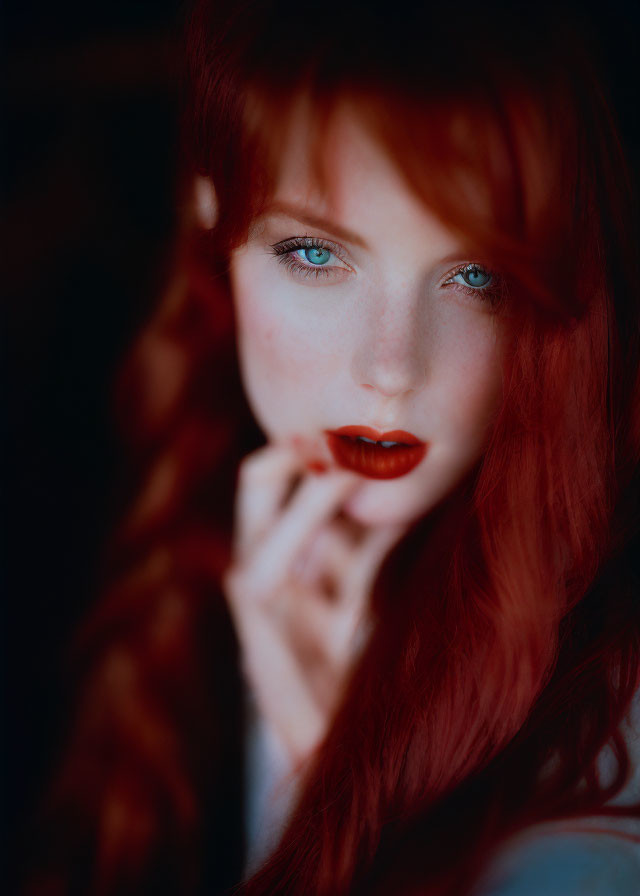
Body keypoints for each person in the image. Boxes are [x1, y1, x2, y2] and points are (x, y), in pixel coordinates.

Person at [28, 0, 640, 894]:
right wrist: (301, 771)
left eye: (477, 276)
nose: (390, 368)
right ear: (214, 221)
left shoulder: (605, 741)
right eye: (316, 255)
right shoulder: (177, 559)